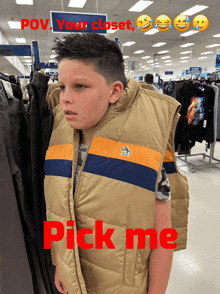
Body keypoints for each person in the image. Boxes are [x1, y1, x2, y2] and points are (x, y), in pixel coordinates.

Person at [44, 33, 189, 294]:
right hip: (73, 280)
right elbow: (58, 210)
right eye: (62, 86)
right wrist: (60, 264)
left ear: (114, 91)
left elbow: (161, 239)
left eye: (80, 86)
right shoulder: (59, 135)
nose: (65, 98)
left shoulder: (143, 148)